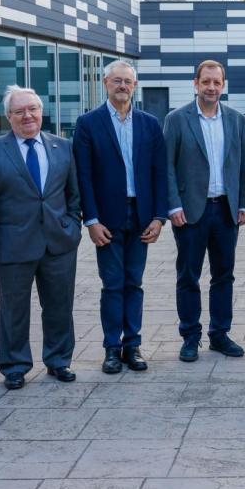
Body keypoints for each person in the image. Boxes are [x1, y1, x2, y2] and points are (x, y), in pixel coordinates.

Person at [0, 86, 82, 390]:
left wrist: (73, 226)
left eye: (32, 109)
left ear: (41, 111)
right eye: (19, 111)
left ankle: (59, 360)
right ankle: (15, 366)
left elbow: (73, 194)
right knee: (13, 309)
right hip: (12, 246)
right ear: (8, 117)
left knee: (60, 306)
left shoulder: (63, 147)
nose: (27, 116)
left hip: (58, 243)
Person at [74, 60, 167, 375]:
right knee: (112, 284)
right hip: (107, 219)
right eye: (117, 81)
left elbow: (159, 173)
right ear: (105, 83)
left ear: (135, 86)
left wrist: (159, 216)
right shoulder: (88, 123)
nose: (123, 86)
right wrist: (91, 220)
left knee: (134, 282)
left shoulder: (150, 124)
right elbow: (83, 176)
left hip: (141, 216)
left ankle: (133, 345)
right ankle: (112, 348)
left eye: (128, 81)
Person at [165, 60, 245, 361]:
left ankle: (219, 334)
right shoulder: (177, 119)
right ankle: (190, 336)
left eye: (217, 82)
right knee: (188, 275)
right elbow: (167, 166)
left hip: (226, 210)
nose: (212, 87)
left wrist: (244, 202)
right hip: (190, 212)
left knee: (223, 275)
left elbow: (244, 165)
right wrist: (173, 204)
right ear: (196, 83)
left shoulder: (236, 120)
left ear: (223, 85)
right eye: (206, 82)